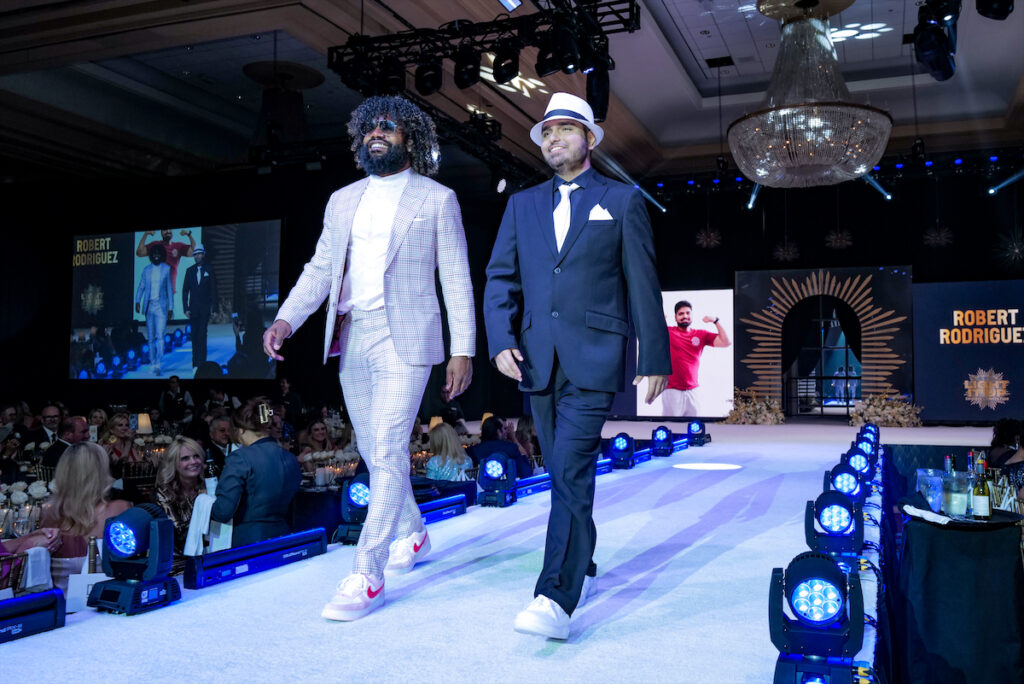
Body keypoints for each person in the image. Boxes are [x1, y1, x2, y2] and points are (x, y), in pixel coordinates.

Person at [263, 95, 475, 622]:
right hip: (354, 335)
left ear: (411, 139)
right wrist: (287, 318)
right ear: (360, 139)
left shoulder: (436, 199)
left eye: (390, 127)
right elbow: (319, 269)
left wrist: (463, 348)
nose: (377, 134)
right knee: (377, 452)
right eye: (370, 128)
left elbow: (455, 278)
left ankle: (367, 572)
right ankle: (415, 534)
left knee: (385, 444)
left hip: (407, 338)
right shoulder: (343, 200)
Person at [484, 92, 671, 639]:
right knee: (565, 472)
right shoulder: (522, 205)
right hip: (536, 361)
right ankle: (583, 563)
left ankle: (555, 595)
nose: (554, 138)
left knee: (567, 469)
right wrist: (500, 340)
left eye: (566, 129)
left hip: (595, 357)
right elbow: (500, 278)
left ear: (590, 138)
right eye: (547, 131)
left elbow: (643, 283)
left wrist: (654, 354)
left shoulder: (623, 200)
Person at [39, 442, 133, 592]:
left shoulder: (49, 513)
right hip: (108, 602)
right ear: (101, 471)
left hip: (63, 608)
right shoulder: (119, 509)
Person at [210, 397, 301, 547]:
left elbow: (222, 511)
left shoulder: (240, 457)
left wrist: (204, 503)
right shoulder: (291, 458)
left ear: (241, 429)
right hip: (284, 536)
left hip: (248, 540)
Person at [662, 300, 731, 417]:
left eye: (688, 313)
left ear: (692, 315)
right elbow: (646, 335)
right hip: (672, 390)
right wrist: (656, 320)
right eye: (681, 314)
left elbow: (726, 342)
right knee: (671, 426)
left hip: (693, 390)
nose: (685, 316)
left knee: (694, 427)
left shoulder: (701, 335)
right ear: (675, 317)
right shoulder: (668, 332)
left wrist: (716, 321)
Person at [154, 436, 207, 562]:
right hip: (179, 564)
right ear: (174, 464)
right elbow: (179, 536)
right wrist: (203, 504)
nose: (193, 462)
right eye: (185, 458)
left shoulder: (209, 485)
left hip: (209, 556)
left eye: (196, 456)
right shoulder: (164, 493)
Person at [135, 242, 173, 375]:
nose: (156, 255)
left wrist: (171, 308)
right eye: (154, 253)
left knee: (160, 336)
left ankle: (158, 362)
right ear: (151, 255)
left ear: (161, 255)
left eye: (158, 253)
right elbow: (141, 287)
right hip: (149, 306)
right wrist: (137, 300)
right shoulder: (146, 270)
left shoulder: (166, 269)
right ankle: (152, 362)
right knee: (150, 337)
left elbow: (169, 290)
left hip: (161, 307)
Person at [181, 244, 217, 368]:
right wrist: (185, 308)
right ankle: (195, 362)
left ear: (203, 254)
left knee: (202, 334)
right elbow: (185, 290)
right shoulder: (189, 271)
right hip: (193, 309)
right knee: (194, 335)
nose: (197, 256)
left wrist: (215, 308)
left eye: (199, 254)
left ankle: (202, 363)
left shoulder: (209, 269)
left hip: (205, 308)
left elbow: (213, 290)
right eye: (195, 254)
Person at [136, 228, 195, 293]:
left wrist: (189, 235)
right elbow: (140, 252)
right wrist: (146, 234)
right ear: (161, 232)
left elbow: (194, 252)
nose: (167, 231)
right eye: (164, 230)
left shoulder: (178, 246)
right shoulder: (155, 245)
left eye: (169, 229)